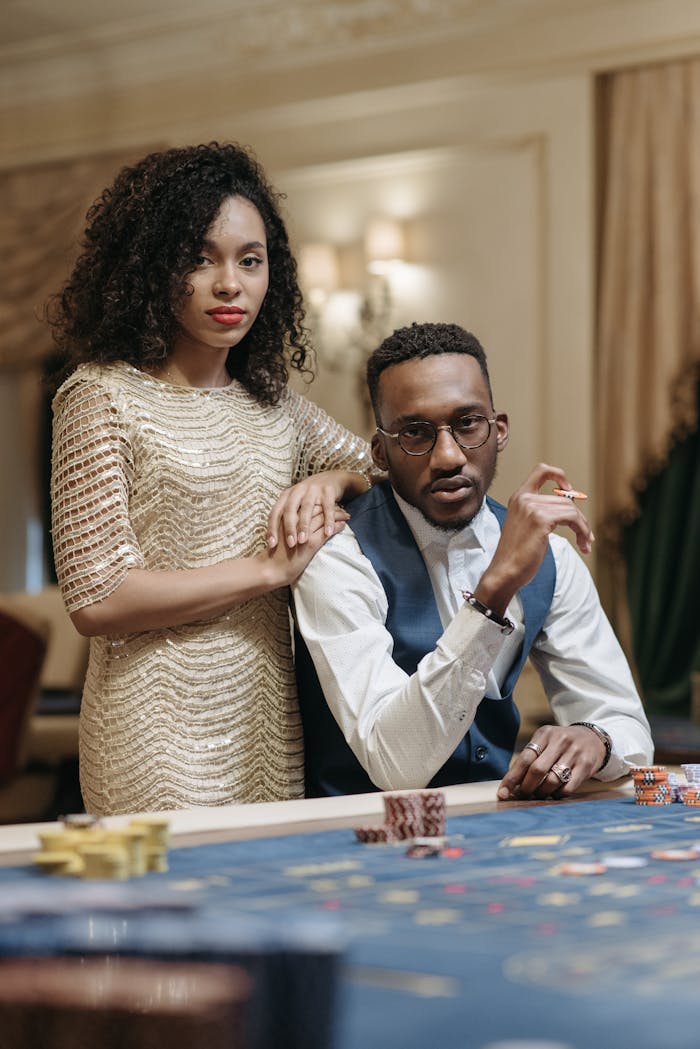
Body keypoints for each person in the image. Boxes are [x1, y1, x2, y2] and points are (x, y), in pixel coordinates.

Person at [48, 142, 375, 816]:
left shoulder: (277, 407)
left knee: (261, 911)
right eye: (200, 258)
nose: (230, 284)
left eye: (249, 261)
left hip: (266, 718)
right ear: (149, 270)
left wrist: (333, 482)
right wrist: (267, 571)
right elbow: (98, 598)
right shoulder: (100, 396)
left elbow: (379, 463)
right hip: (152, 730)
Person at [292, 321, 654, 799]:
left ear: (497, 430)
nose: (447, 456)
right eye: (415, 432)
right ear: (380, 451)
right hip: (356, 838)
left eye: (467, 424)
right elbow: (394, 764)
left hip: (496, 823)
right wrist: (494, 590)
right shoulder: (337, 556)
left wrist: (595, 738)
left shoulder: (553, 557)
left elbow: (626, 724)